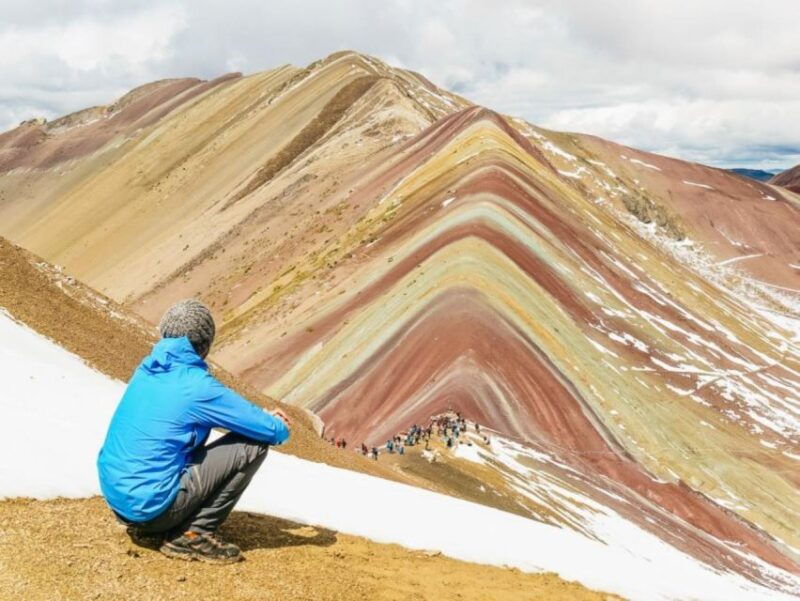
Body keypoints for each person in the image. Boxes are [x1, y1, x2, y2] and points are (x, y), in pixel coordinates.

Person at [97, 299, 291, 564]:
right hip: (150, 509)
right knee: (252, 446)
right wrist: (273, 421)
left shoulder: (148, 369)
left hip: (119, 501)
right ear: (205, 343)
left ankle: (164, 519)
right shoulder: (198, 386)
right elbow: (273, 431)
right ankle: (194, 534)